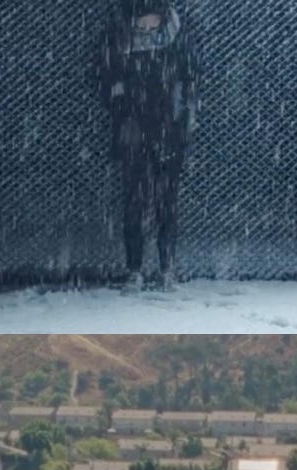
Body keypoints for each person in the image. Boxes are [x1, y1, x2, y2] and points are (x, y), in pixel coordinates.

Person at [98, 0, 199, 293]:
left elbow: (189, 78)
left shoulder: (176, 39)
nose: (145, 27)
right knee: (134, 201)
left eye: (150, 21)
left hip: (168, 130)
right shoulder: (119, 39)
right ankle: (135, 269)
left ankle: (167, 268)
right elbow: (106, 78)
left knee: (166, 201)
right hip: (133, 129)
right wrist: (120, 104)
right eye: (140, 22)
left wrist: (184, 114)